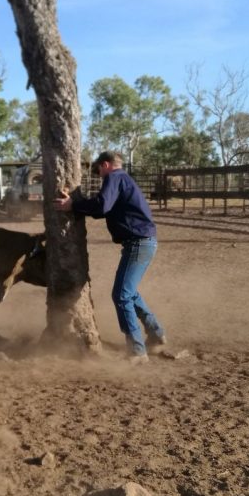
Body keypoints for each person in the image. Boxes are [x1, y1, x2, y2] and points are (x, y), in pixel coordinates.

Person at [54, 150, 166, 362]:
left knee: (121, 295)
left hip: (138, 243)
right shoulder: (124, 179)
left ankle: (137, 350)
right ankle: (156, 333)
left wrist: (72, 205)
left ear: (105, 165)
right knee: (129, 292)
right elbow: (103, 206)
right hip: (143, 242)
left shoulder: (114, 177)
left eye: (98, 171)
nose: (100, 176)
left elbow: (102, 206)